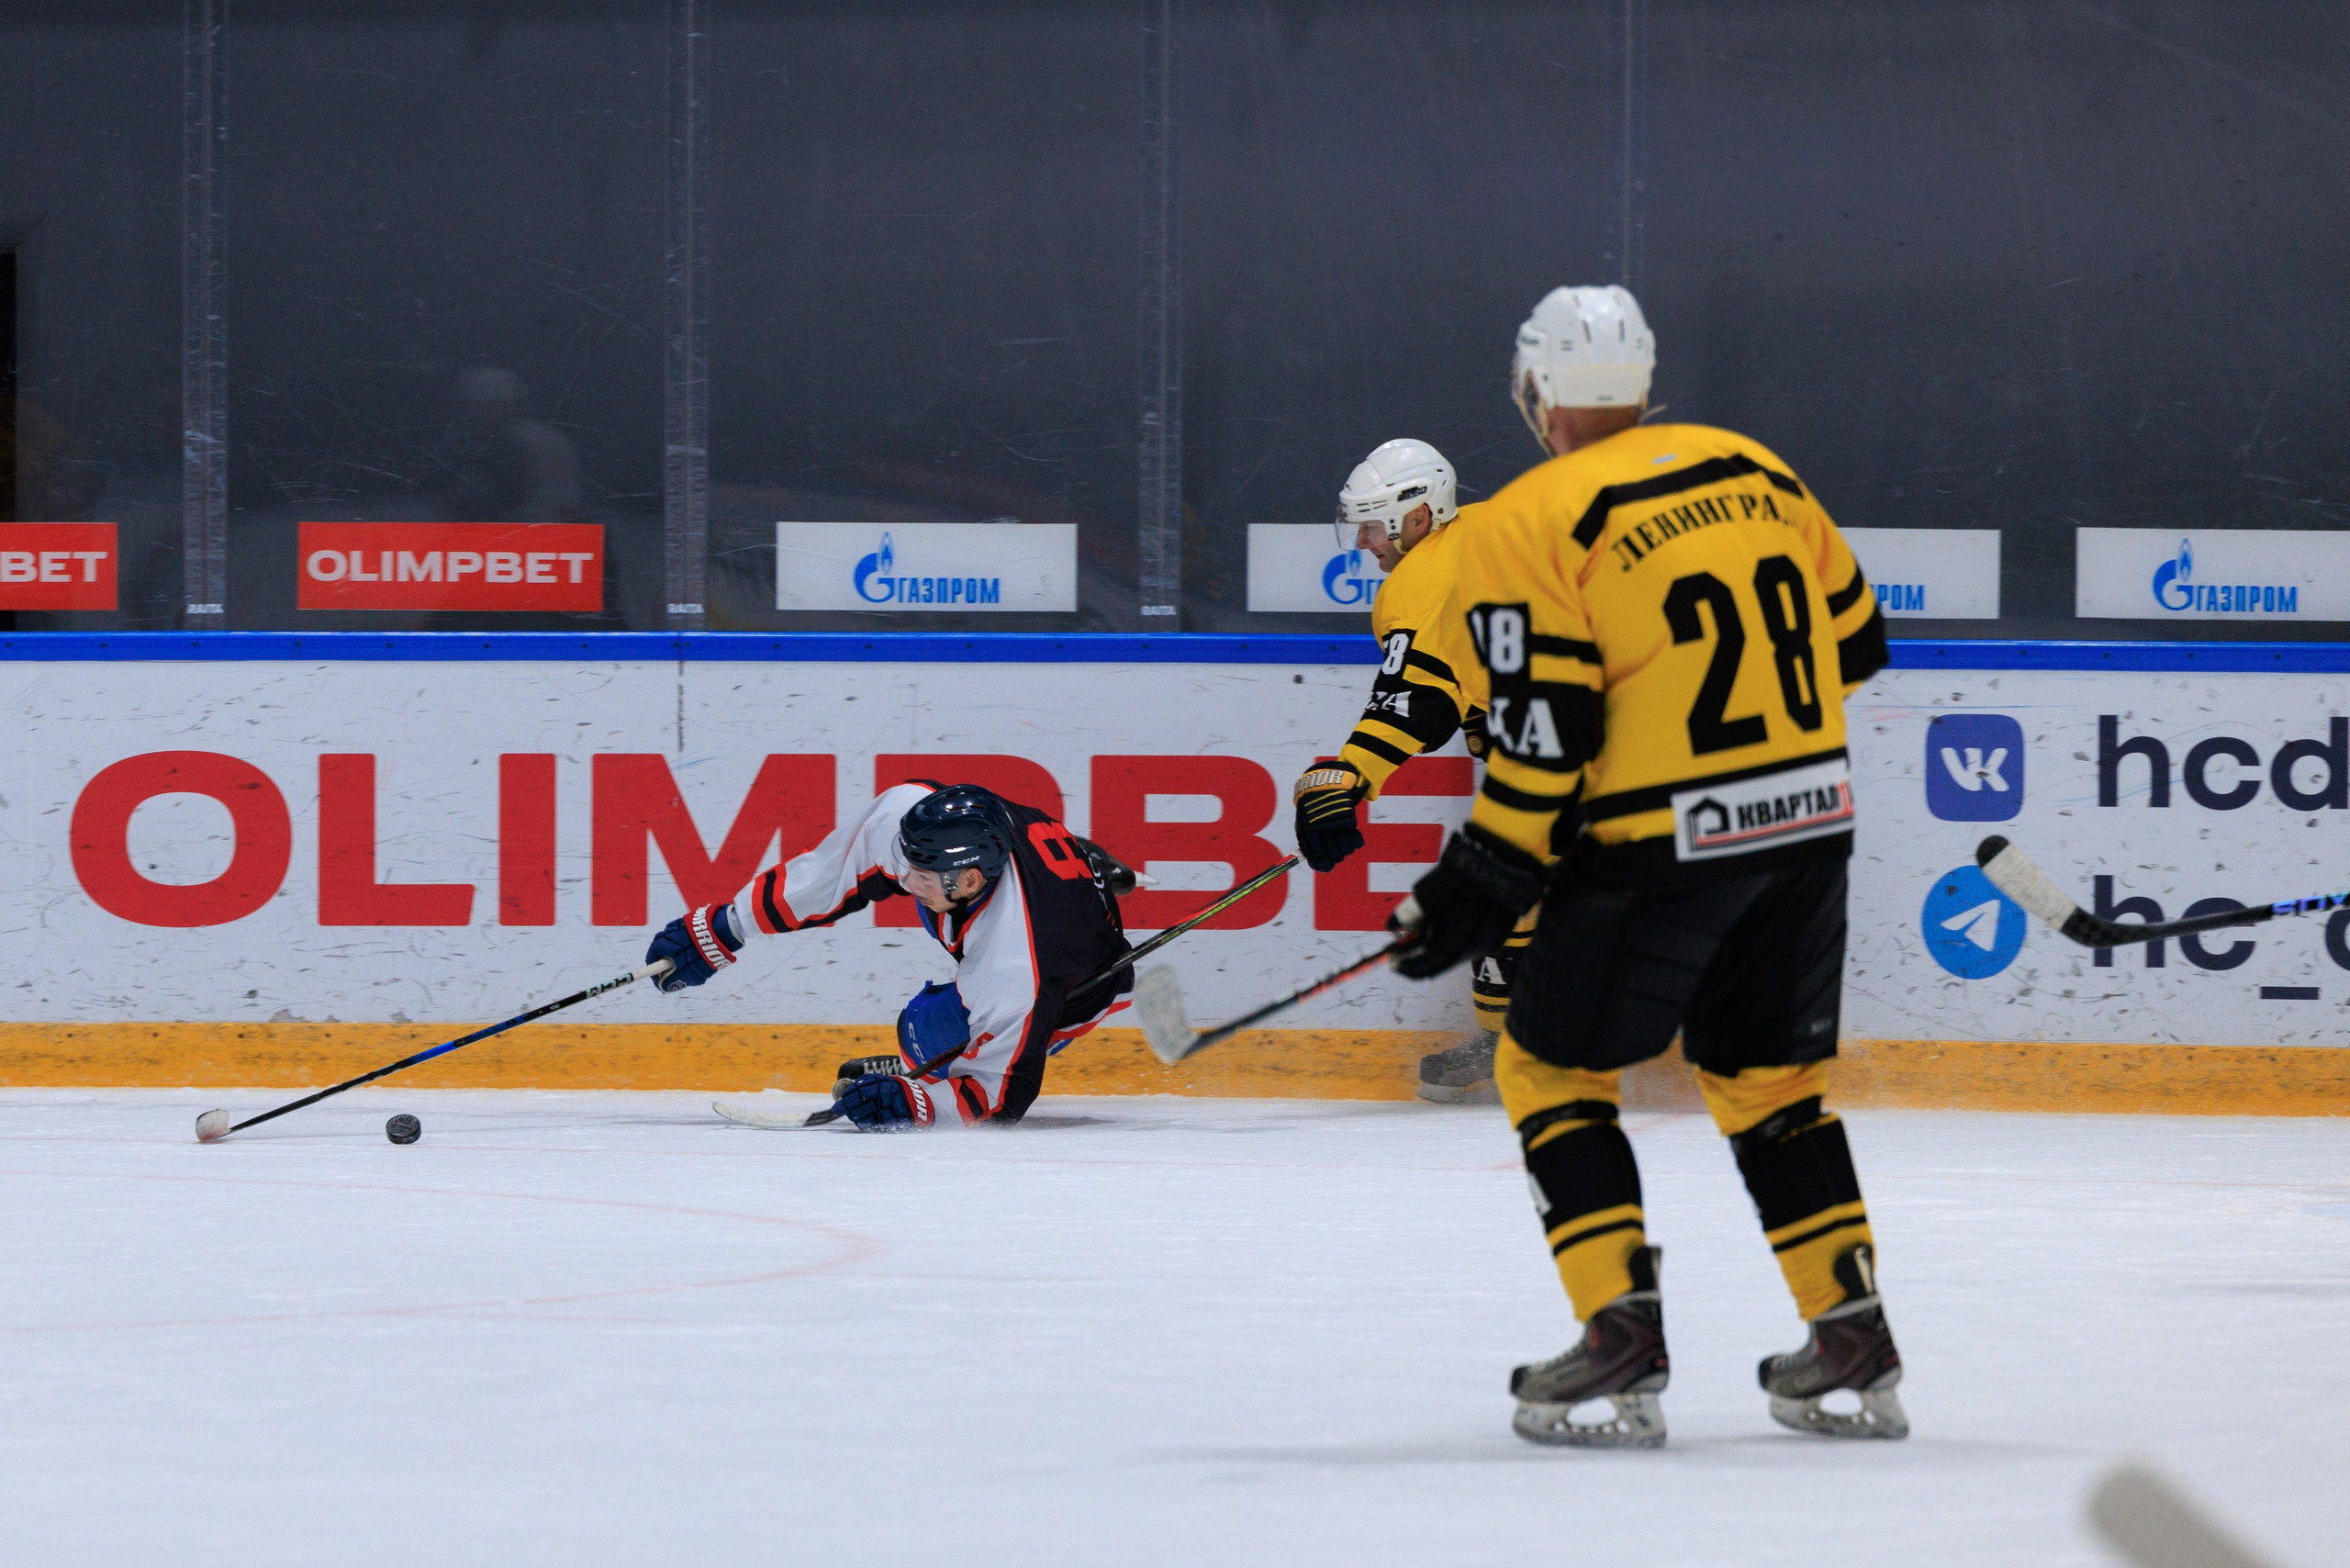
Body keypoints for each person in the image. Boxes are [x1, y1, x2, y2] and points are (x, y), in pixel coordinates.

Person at [1391, 285, 1900, 1449]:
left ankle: (1619, 1331)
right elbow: (1859, 646)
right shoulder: (1757, 469)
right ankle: (1851, 1331)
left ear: (1536, 393)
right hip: (1808, 822)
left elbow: (1543, 737)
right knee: (1768, 1084)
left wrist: (1477, 878)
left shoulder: (1526, 517)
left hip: (1660, 843)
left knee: (1544, 1066)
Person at [644, 782, 1136, 1129]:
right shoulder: (908, 817)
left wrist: (919, 1105)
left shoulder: (1015, 964)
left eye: (922, 875)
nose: (906, 880)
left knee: (926, 1029)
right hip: (1044, 904)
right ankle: (1085, 861)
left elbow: (997, 1096)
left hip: (1077, 984)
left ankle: (928, 1066)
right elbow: (830, 874)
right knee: (926, 907)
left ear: (970, 879)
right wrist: (728, 925)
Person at [1290, 439, 1533, 1103]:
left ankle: (1525, 1047)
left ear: (1419, 517)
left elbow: (1413, 702)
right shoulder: (1486, 527)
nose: (1363, 543)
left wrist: (1348, 777)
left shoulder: (1422, 582)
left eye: (1373, 527)